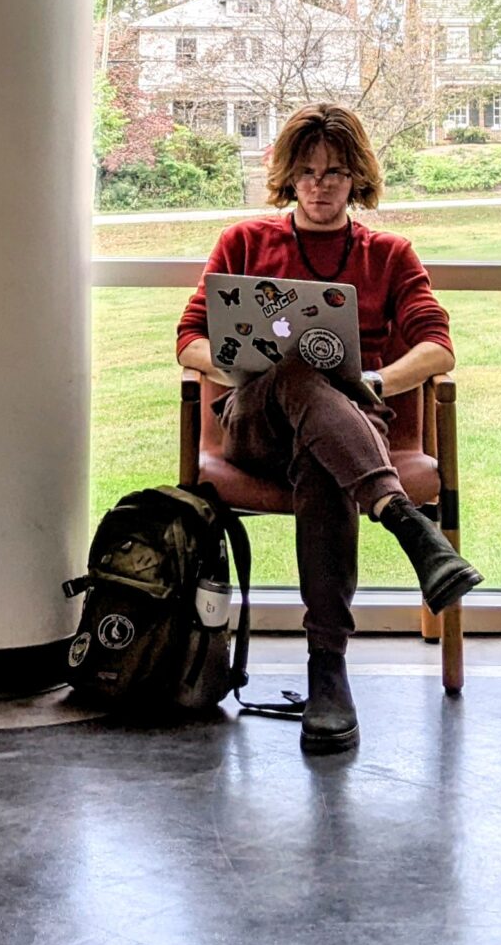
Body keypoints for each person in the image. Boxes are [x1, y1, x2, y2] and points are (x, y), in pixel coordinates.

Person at [175, 103, 481, 753]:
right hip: (255, 426)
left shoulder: (389, 255)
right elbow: (189, 342)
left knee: (322, 450)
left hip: (342, 432)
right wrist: (236, 364)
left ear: (356, 179)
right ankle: (403, 520)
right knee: (292, 369)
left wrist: (372, 383)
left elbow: (438, 349)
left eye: (335, 173)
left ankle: (327, 672)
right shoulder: (246, 244)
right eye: (308, 171)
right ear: (289, 175)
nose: (320, 185)